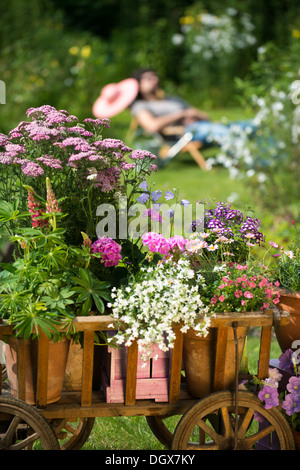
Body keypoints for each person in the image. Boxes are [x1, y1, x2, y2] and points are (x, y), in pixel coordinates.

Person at [129, 68, 254, 144]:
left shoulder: (173, 99)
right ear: (138, 85)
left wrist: (195, 115)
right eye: (149, 78)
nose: (155, 80)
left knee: (251, 126)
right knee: (224, 132)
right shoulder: (140, 106)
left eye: (155, 77)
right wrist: (182, 115)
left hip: (203, 125)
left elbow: (206, 116)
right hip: (183, 133)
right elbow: (152, 126)